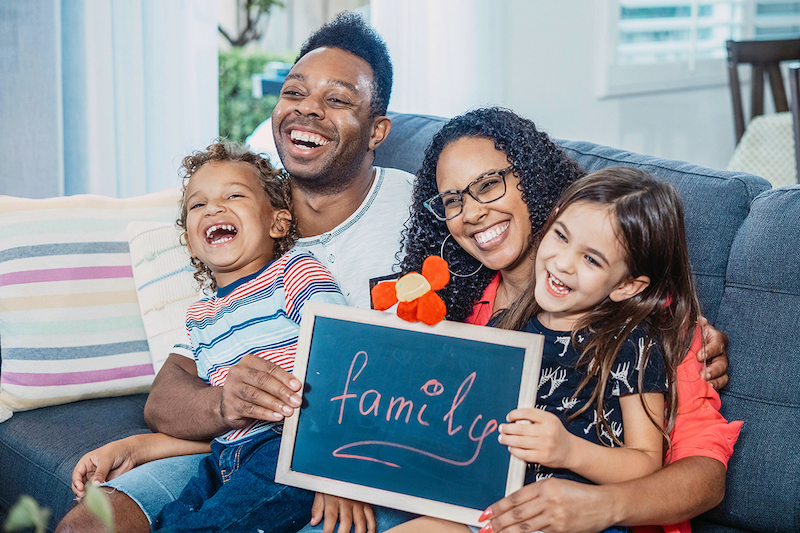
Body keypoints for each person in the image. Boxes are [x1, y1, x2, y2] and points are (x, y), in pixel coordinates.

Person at [57, 12, 417, 533]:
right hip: (228, 451)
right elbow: (169, 395)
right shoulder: (244, 226)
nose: (308, 110)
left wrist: (341, 471)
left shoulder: (418, 211)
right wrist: (214, 408)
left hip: (331, 455)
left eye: (337, 100)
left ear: (377, 130)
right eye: (294, 92)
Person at [393, 107, 741, 533]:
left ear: (534, 182)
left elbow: (701, 475)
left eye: (488, 185)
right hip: (484, 509)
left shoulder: (644, 331)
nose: (471, 213)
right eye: (453, 200)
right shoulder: (462, 310)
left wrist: (599, 502)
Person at [72, 141, 348, 532]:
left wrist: (332, 464)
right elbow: (217, 420)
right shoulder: (200, 317)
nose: (213, 208)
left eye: (233, 195)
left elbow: (344, 357)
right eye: (197, 205)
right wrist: (136, 446)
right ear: (189, 239)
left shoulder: (295, 272)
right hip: (224, 457)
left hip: (289, 448)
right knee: (169, 520)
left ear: (278, 223)